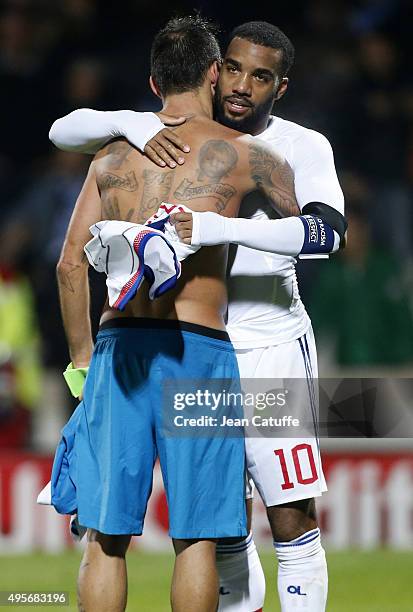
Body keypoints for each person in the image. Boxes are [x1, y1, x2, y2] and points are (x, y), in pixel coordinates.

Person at [49, 20, 346, 612]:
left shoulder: (298, 146)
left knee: (287, 514)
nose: (241, 85)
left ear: (280, 87)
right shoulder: (164, 141)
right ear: (215, 72)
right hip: (203, 347)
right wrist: (128, 121)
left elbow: (328, 234)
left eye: (259, 77)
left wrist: (215, 228)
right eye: (233, 69)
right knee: (217, 529)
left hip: (267, 348)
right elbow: (65, 128)